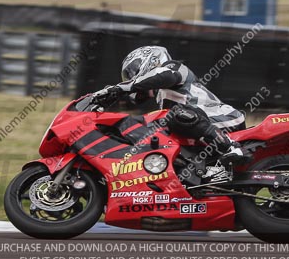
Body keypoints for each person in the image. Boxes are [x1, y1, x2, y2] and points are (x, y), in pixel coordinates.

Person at [92, 46, 246, 168]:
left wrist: (120, 88)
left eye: (133, 72)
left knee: (177, 115)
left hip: (225, 119)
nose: (132, 77)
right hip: (204, 129)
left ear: (150, 61)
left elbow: (164, 76)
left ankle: (231, 147)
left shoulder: (173, 68)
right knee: (154, 130)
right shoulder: (162, 96)